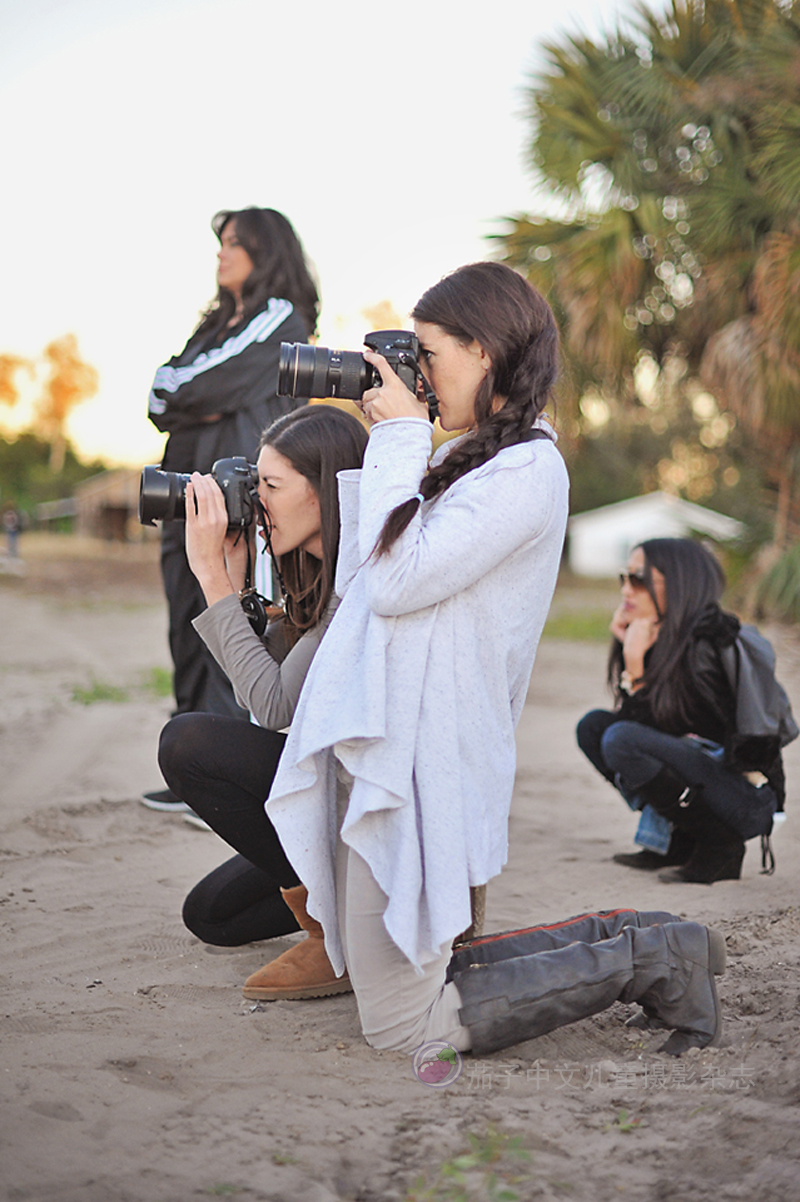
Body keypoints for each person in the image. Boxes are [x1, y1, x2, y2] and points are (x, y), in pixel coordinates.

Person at [260, 263, 726, 1060]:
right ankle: (643, 937)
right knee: (409, 991)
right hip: (394, 745)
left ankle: (646, 957)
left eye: (428, 356)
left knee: (406, 1023)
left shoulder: (527, 471)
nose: (419, 377)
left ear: (483, 351)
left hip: (429, 754)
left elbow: (399, 583)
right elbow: (365, 585)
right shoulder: (475, 458)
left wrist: (402, 433)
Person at [157, 404, 367, 985]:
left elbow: (273, 707)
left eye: (270, 486)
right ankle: (339, 912)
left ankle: (333, 936)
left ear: (324, 491)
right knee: (212, 915)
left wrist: (211, 581)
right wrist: (240, 584)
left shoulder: (357, 586)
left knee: (186, 742)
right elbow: (263, 698)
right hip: (328, 792)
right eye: (258, 483)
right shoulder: (312, 575)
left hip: (365, 811)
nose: (259, 502)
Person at [144, 207, 319, 812]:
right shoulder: (217, 326)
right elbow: (161, 391)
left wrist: (200, 399)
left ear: (265, 252)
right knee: (185, 623)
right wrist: (199, 401)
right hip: (186, 496)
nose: (222, 254)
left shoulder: (279, 319)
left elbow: (188, 387)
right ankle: (191, 769)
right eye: (221, 243)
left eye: (235, 244)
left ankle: (223, 770)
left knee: (232, 617)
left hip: (239, 499)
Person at [576, 538, 784, 883]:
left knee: (621, 739)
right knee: (594, 728)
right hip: (705, 778)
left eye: (638, 580)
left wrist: (635, 666)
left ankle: (721, 845)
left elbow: (675, 730)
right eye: (623, 578)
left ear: (679, 582)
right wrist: (629, 650)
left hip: (743, 798)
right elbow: (651, 732)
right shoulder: (659, 637)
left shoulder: (707, 643)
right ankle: (679, 840)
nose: (627, 590)